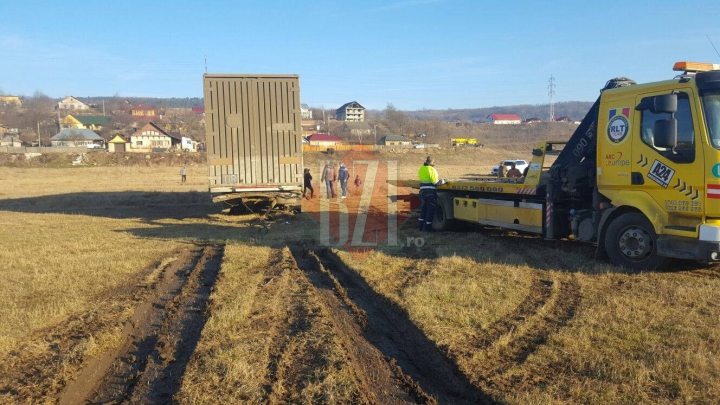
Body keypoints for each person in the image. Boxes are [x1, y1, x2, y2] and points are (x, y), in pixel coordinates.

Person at [417, 156, 440, 232]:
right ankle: (428, 228)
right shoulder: (432, 169)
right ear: (432, 162)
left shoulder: (421, 168)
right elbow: (435, 182)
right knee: (430, 210)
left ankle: (420, 227)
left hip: (423, 191)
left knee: (424, 209)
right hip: (430, 192)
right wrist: (443, 181)